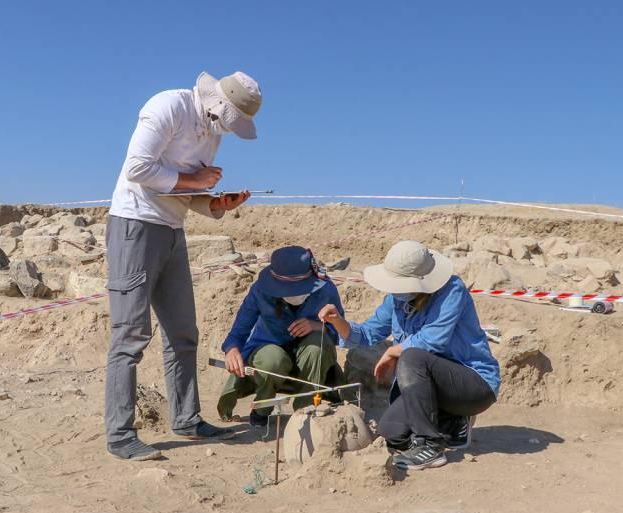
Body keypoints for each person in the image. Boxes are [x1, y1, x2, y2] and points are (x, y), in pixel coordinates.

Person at [105, 71, 262, 461]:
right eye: (231, 119)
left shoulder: (212, 131)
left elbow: (187, 191)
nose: (229, 131)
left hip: (172, 230)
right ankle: (121, 435)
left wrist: (214, 205)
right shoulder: (167, 107)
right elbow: (137, 170)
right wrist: (194, 181)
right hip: (134, 225)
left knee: (183, 332)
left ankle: (187, 418)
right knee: (130, 335)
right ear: (218, 104)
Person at [318, 240, 500, 471]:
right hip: (436, 386)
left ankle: (432, 446)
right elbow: (365, 335)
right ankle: (452, 423)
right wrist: (337, 321)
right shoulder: (396, 300)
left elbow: (431, 340)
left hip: (474, 385)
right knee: (391, 433)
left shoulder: (452, 290)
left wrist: (393, 351)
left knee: (412, 356)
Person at [218, 246, 345, 427]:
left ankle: (305, 410)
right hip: (269, 354)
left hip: (309, 359)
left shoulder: (326, 289)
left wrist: (318, 326)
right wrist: (231, 350)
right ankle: (262, 408)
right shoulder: (260, 290)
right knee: (273, 359)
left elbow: (341, 332)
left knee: (318, 346)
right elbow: (239, 330)